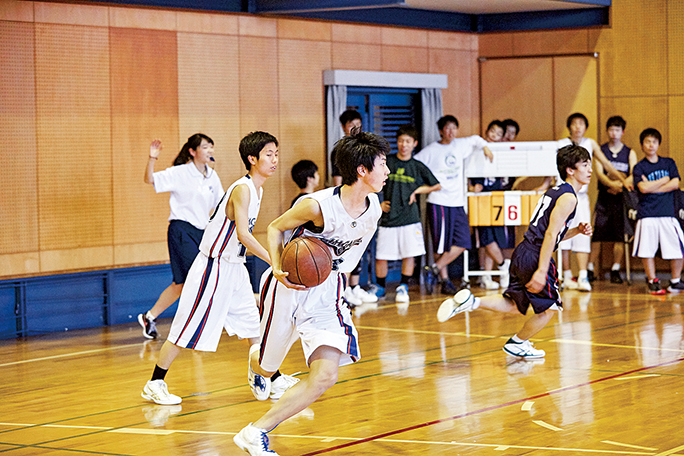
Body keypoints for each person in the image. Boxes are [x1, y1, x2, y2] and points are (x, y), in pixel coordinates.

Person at [233, 130, 389, 455]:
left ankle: (255, 432)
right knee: (267, 366)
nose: (387, 171)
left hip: (326, 292)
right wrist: (277, 267)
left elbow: (346, 255)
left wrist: (336, 276)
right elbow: (275, 227)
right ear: (362, 170)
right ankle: (257, 362)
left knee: (325, 375)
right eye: (382, 164)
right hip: (288, 285)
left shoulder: (373, 208)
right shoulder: (317, 205)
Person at [140, 132, 298, 406]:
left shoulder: (257, 189)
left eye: (276, 154)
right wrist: (275, 259)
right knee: (185, 328)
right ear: (252, 159)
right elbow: (245, 236)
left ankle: (271, 377)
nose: (275, 160)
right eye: (269, 155)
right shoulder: (242, 189)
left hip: (233, 267)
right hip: (212, 266)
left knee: (253, 324)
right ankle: (155, 383)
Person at [437, 144, 593, 359]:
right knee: (550, 308)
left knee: (515, 305)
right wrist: (541, 270)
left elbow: (551, 232)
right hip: (537, 255)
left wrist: (575, 231)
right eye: (585, 165)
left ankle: (471, 302)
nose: (590, 170)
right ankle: (519, 343)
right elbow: (549, 236)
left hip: (524, 251)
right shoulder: (569, 198)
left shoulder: (555, 192)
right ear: (570, 170)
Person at [138, 134, 223, 339]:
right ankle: (194, 327)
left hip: (202, 233)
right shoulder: (180, 172)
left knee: (182, 284)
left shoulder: (212, 176)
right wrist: (152, 158)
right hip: (181, 229)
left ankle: (149, 317)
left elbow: (220, 206)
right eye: (204, 147)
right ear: (193, 151)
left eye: (211, 147)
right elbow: (150, 179)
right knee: (197, 280)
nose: (209, 151)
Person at [414, 115, 494, 294]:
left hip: (457, 203)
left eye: (454, 128)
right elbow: (415, 165)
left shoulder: (460, 145)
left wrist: (486, 147)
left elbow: (476, 139)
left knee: (464, 241)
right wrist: (422, 187)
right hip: (438, 202)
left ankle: (434, 268)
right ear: (441, 131)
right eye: (447, 128)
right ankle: (445, 280)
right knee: (441, 245)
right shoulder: (431, 150)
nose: (450, 132)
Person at [374, 124, 440, 303]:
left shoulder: (417, 166)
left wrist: (417, 191)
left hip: (410, 218)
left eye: (408, 141)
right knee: (381, 256)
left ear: (414, 144)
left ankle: (403, 286)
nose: (404, 144)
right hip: (388, 218)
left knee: (408, 254)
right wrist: (378, 203)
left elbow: (437, 185)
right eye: (401, 141)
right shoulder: (387, 162)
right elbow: (371, 181)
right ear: (397, 142)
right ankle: (380, 287)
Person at [331, 109, 377, 306]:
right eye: (351, 126)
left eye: (358, 125)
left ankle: (356, 287)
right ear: (343, 127)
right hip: (347, 205)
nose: (355, 129)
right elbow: (337, 180)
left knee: (360, 245)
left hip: (363, 203)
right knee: (345, 246)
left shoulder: (366, 150)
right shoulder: (340, 151)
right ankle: (345, 289)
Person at [632, 128, 684, 295]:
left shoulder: (668, 163)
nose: (651, 145)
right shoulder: (639, 167)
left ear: (658, 144)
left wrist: (652, 187)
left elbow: (675, 183)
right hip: (647, 214)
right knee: (647, 249)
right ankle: (652, 280)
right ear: (642, 145)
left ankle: (675, 281)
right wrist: (663, 181)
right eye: (647, 141)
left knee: (678, 247)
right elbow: (642, 187)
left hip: (668, 213)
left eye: (654, 141)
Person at [588, 116, 637, 284]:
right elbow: (600, 174)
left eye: (617, 130)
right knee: (597, 234)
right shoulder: (600, 150)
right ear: (607, 131)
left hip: (621, 199)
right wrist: (612, 184)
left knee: (620, 236)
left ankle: (615, 269)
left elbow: (633, 175)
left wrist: (620, 187)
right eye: (611, 129)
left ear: (622, 132)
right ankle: (589, 269)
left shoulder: (629, 152)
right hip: (604, 197)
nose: (614, 133)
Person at [470, 120, 513, 290]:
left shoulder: (502, 152)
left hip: (496, 198)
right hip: (480, 198)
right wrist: (471, 187)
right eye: (492, 131)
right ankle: (503, 266)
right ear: (487, 131)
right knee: (486, 238)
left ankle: (488, 276)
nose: (494, 135)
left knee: (494, 237)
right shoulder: (477, 149)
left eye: (498, 134)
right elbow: (466, 175)